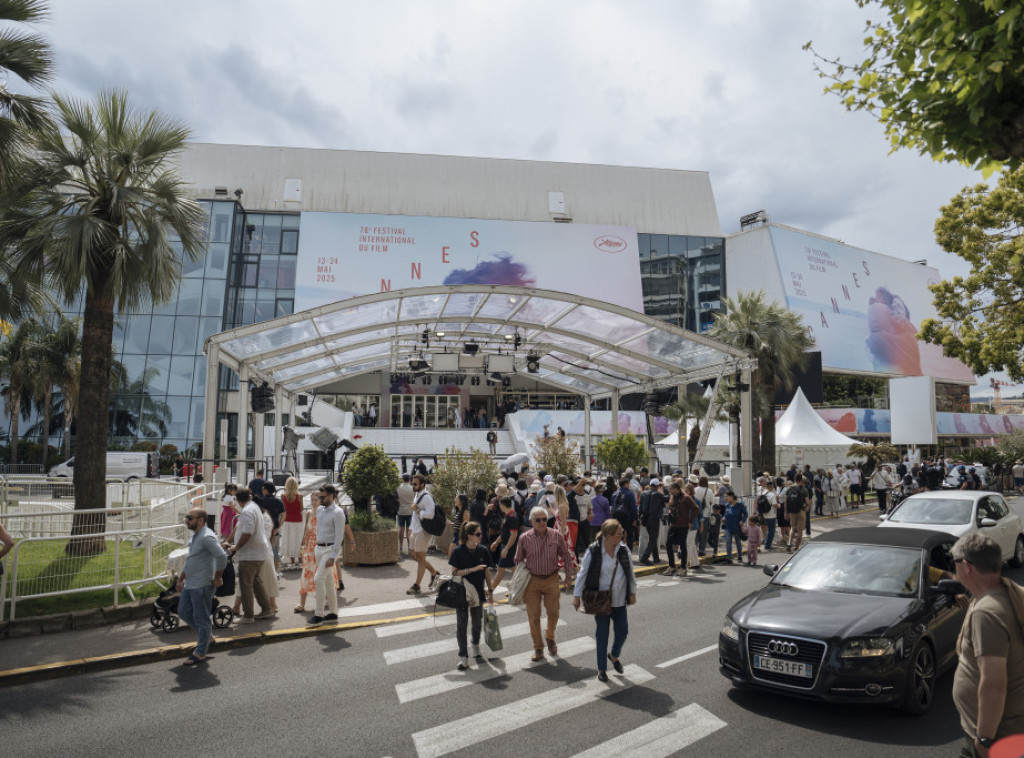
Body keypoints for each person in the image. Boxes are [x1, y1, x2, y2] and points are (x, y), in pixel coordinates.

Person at [951, 533, 1024, 757]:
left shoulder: (987, 612)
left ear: (967, 566)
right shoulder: (1011, 593)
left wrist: (985, 738)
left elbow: (994, 684)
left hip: (996, 737)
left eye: (954, 564)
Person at [572, 519, 637, 682]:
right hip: (600, 600)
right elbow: (583, 573)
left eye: (622, 534)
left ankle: (614, 655)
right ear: (608, 536)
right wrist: (576, 596)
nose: (621, 537)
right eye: (618, 534)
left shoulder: (623, 550)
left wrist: (633, 592)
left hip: (620, 599)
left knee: (623, 631)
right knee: (602, 635)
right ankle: (601, 669)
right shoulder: (594, 550)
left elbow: (630, 572)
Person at [514, 505, 575, 662]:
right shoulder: (524, 538)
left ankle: (550, 636)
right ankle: (538, 648)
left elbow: (566, 556)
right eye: (538, 520)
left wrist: (568, 576)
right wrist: (517, 583)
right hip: (532, 581)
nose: (542, 522)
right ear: (531, 521)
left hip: (551, 579)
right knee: (534, 616)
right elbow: (518, 560)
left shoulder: (556, 536)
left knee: (554, 612)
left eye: (545, 519)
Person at [176, 507, 227, 666]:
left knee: (201, 618)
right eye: (187, 517)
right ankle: (207, 637)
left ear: (200, 520)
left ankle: (200, 652)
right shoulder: (195, 536)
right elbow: (191, 559)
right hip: (191, 583)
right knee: (183, 612)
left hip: (203, 585)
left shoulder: (206, 536)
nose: (187, 520)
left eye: (190, 517)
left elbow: (221, 556)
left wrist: (218, 577)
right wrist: (181, 579)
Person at [225, 487, 275, 624]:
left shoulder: (247, 511)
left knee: (245, 583)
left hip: (250, 554)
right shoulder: (253, 507)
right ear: (249, 496)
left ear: (238, 500)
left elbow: (247, 532)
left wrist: (236, 547)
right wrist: (228, 541)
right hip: (258, 552)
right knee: (256, 581)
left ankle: (248, 615)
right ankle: (267, 609)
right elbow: (239, 527)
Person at [449, 521, 494, 670]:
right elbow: (454, 572)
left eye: (481, 533)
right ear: (469, 536)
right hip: (462, 593)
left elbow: (487, 571)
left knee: (477, 623)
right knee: (461, 625)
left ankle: (475, 645)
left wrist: (491, 589)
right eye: (478, 534)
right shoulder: (458, 551)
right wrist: (472, 569)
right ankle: (463, 657)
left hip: (479, 593)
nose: (481, 536)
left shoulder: (483, 550)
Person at [307, 484, 355, 626]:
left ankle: (319, 614)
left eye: (323, 496)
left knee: (318, 579)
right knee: (327, 582)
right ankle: (333, 612)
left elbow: (339, 536)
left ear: (332, 495)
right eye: (319, 496)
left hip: (329, 550)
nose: (320, 499)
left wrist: (333, 556)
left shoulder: (338, 512)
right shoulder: (320, 510)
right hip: (319, 549)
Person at [294, 491, 337, 613]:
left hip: (321, 546)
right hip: (309, 547)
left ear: (321, 501)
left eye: (315, 500)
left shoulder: (325, 513)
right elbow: (306, 531)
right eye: (312, 500)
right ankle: (302, 603)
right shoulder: (308, 513)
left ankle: (327, 599)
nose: (313, 502)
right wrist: (302, 544)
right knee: (306, 573)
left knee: (325, 573)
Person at [407, 473, 440, 595]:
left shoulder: (427, 497)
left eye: (415, 484)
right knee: (413, 555)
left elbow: (430, 514)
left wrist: (417, 510)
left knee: (421, 558)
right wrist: (410, 528)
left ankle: (417, 585)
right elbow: (414, 515)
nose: (413, 485)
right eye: (412, 483)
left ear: (422, 484)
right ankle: (434, 573)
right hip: (415, 530)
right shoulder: (417, 495)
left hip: (423, 531)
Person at [663, 481, 694, 577]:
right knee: (668, 544)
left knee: (682, 545)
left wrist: (690, 521)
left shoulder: (686, 498)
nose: (670, 492)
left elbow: (696, 509)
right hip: (673, 524)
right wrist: (669, 513)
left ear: (676, 489)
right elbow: (670, 506)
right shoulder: (672, 497)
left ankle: (683, 567)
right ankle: (672, 566)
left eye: (671, 490)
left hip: (683, 525)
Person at [489, 497, 519, 588]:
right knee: (514, 569)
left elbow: (513, 535)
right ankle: (518, 589)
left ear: (502, 505)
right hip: (507, 545)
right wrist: (497, 542)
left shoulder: (512, 517)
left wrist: (506, 548)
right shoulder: (509, 515)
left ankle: (491, 590)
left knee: (501, 569)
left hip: (509, 546)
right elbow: (504, 533)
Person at [639, 478, 666, 565]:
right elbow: (667, 498)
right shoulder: (658, 494)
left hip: (645, 518)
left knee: (652, 538)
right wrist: (663, 489)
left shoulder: (643, 494)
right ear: (657, 486)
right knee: (653, 538)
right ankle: (645, 557)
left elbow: (640, 506)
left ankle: (656, 557)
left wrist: (640, 518)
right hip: (654, 519)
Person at [279, 477, 304, 569]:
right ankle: (300, 560)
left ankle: (292, 561)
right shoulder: (300, 496)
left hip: (287, 520)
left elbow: (284, 509)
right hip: (297, 520)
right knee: (298, 540)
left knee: (289, 540)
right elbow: (301, 508)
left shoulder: (283, 496)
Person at [262, 482, 286, 576]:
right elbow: (284, 515)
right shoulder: (278, 501)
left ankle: (264, 573)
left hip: (262, 530)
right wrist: (278, 527)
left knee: (263, 552)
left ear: (266, 490)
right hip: (275, 530)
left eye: (263, 489)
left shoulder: (260, 500)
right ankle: (275, 573)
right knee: (275, 552)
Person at [785, 473, 812, 552]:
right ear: (801, 480)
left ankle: (789, 543)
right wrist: (809, 505)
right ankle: (796, 547)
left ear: (794, 478)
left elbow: (786, 502)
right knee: (800, 530)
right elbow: (807, 502)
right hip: (801, 511)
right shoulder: (804, 489)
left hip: (792, 511)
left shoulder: (789, 488)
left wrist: (786, 513)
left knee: (792, 528)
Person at [721, 491, 748, 562]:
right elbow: (726, 514)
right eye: (724, 496)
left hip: (737, 526)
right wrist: (723, 518)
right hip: (728, 526)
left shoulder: (739, 505)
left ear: (731, 496)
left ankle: (739, 556)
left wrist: (742, 520)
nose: (725, 498)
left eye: (726, 496)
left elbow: (745, 514)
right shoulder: (727, 505)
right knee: (728, 542)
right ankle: (729, 558)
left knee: (738, 542)